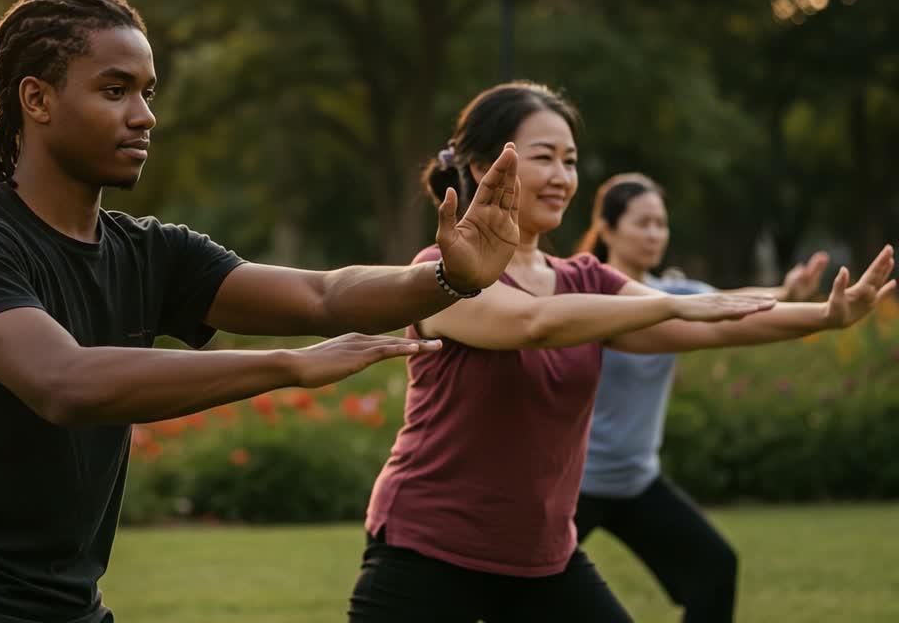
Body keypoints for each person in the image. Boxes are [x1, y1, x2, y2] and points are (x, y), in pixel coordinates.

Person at [0, 0, 525, 623]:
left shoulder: (152, 252)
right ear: (37, 99)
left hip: (65, 600)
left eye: (147, 93)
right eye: (114, 91)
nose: (144, 115)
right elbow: (64, 383)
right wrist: (286, 367)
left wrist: (449, 279)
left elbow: (322, 294)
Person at [348, 82, 895, 622]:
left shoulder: (586, 278)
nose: (562, 177)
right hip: (428, 550)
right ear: (480, 168)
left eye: (571, 160)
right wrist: (670, 306)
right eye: (545, 158)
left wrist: (825, 316)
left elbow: (713, 327)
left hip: (540, 560)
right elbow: (531, 323)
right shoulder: (440, 273)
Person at [572, 172, 828, 623]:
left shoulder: (677, 295)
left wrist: (790, 295)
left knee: (714, 569)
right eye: (643, 223)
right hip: (573, 484)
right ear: (607, 228)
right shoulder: (580, 294)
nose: (655, 234)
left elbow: (728, 305)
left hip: (636, 481)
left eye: (661, 224)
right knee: (516, 589)